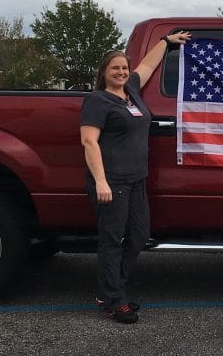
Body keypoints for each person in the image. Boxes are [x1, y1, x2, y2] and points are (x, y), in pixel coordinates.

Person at [80, 30, 191, 324]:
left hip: (135, 180)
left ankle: (110, 290)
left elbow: (147, 66)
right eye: (115, 68)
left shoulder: (130, 91)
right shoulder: (97, 101)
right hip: (111, 182)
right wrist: (101, 181)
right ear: (104, 72)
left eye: (124, 68)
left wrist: (166, 42)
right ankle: (116, 300)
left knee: (139, 235)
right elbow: (89, 142)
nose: (121, 72)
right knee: (112, 240)